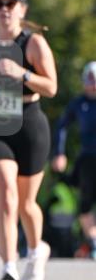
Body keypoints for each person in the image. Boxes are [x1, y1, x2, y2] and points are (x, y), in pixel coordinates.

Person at [0, 0, 57, 280]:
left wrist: (22, 73)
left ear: (22, 10)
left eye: (11, 4)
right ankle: (8, 266)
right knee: (5, 196)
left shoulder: (34, 43)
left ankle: (36, 251)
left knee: (26, 204)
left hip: (30, 121)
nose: (5, 9)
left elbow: (51, 87)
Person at [51, 61, 96, 260]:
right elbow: (62, 126)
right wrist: (59, 153)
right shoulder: (79, 104)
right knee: (85, 203)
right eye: (90, 80)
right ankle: (93, 242)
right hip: (88, 159)